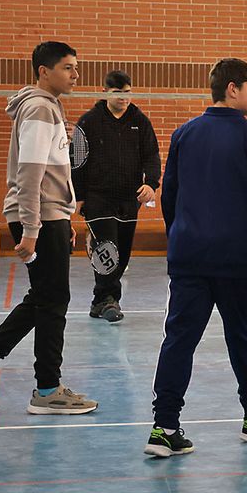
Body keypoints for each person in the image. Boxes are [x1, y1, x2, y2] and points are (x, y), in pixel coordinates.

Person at [146, 58, 247, 456]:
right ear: (233, 89)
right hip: (238, 260)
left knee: (178, 339)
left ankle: (163, 427)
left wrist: (182, 237)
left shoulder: (183, 133)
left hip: (188, 256)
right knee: (246, 336)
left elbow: (171, 198)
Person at [0, 42, 98, 416]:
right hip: (37, 218)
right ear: (43, 71)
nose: (75, 74)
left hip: (49, 217)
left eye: (75, 67)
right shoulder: (38, 109)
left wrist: (63, 217)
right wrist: (33, 228)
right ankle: (46, 389)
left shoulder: (47, 107)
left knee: (45, 299)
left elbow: (50, 173)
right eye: (67, 67)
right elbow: (30, 174)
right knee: (53, 301)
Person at [71, 70, 162, 324]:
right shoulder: (88, 121)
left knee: (121, 253)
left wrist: (151, 184)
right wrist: (78, 196)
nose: (124, 97)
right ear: (105, 93)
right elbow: (76, 161)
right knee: (106, 250)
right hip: (98, 198)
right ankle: (108, 299)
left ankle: (99, 301)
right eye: (118, 92)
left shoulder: (140, 121)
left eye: (127, 92)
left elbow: (152, 156)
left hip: (128, 199)